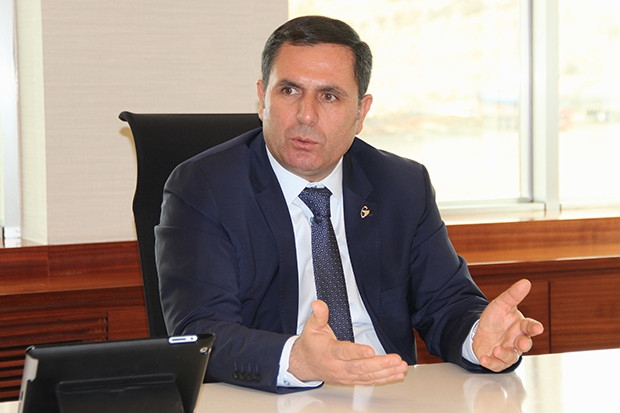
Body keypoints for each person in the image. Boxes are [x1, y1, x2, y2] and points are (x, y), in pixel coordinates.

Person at [155, 15, 544, 393]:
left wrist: (477, 338)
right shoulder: (205, 188)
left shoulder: (401, 185)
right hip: (271, 395)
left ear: (361, 112)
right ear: (262, 98)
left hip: (389, 391)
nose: (306, 115)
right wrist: (297, 359)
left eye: (329, 96)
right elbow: (202, 331)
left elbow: (445, 302)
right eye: (289, 91)